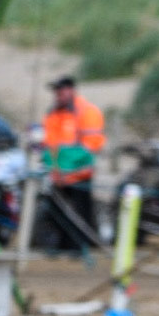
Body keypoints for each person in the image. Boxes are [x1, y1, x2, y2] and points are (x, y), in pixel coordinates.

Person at [39, 75, 106, 251]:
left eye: (61, 90)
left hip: (79, 175)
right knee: (57, 212)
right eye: (56, 91)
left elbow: (92, 145)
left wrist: (67, 168)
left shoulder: (87, 112)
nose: (57, 95)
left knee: (82, 212)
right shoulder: (52, 114)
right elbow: (49, 145)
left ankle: (83, 245)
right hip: (57, 176)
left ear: (71, 90)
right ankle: (63, 245)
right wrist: (53, 168)